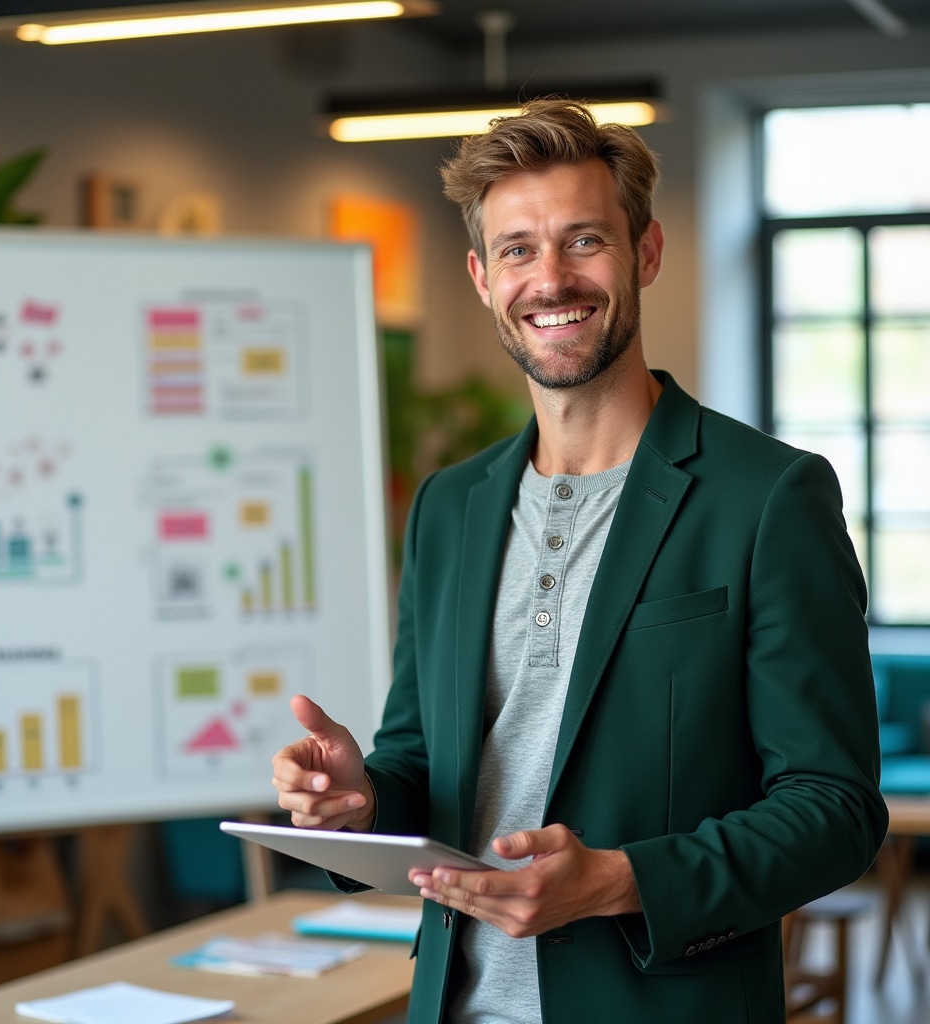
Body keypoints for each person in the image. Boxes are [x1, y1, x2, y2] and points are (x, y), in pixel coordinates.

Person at [271, 99, 887, 1023]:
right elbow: (423, 763)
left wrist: (617, 880)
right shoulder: (449, 507)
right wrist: (361, 803)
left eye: (583, 240)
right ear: (482, 277)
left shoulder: (768, 497)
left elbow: (834, 808)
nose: (549, 277)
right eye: (517, 249)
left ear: (645, 252)